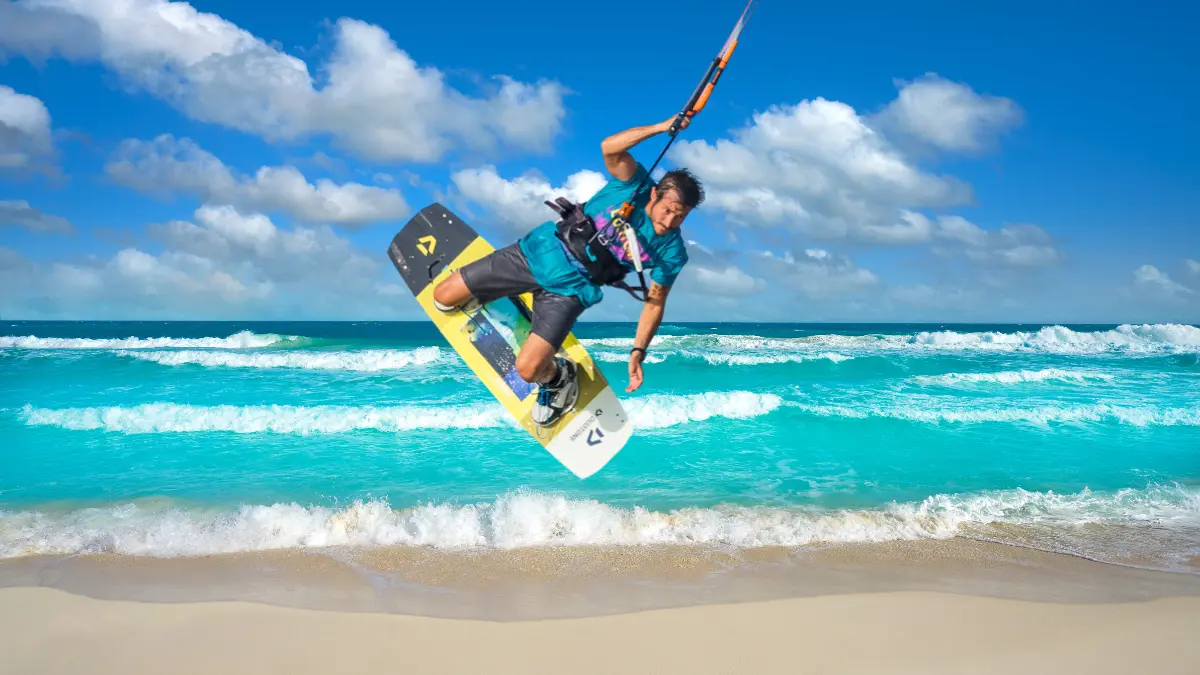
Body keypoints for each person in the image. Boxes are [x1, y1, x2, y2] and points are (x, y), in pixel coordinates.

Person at [431, 114, 705, 426]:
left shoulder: (672, 252)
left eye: (680, 217)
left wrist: (638, 351)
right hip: (537, 254)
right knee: (443, 298)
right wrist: (662, 127)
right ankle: (507, 290)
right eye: (668, 210)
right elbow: (610, 147)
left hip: (570, 291)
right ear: (655, 194)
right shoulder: (634, 185)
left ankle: (559, 376)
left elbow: (655, 302)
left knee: (528, 371)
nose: (669, 222)